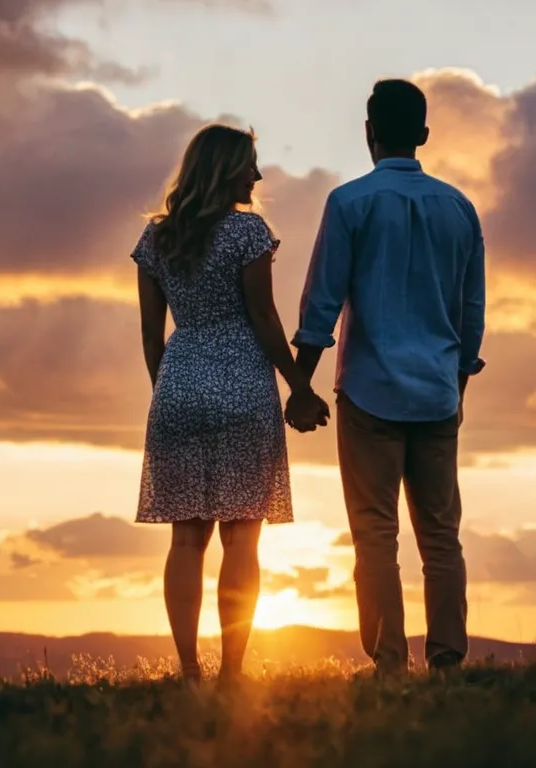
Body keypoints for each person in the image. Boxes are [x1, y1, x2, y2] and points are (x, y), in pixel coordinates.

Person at [287, 79, 487, 674]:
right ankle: (448, 658)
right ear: (423, 135)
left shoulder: (350, 202)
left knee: (375, 533)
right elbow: (470, 309)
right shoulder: (459, 207)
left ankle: (390, 661)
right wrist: (459, 381)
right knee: (441, 536)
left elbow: (321, 303)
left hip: (371, 391)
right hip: (437, 390)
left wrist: (301, 387)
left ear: (369, 131)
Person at [131, 124, 330, 682]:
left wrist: (167, 390)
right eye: (251, 165)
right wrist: (300, 385)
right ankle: (232, 671)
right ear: (226, 170)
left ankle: (189, 668)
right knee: (243, 534)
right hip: (244, 383)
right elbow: (264, 318)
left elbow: (151, 335)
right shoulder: (248, 233)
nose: (258, 175)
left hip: (178, 384)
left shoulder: (157, 239)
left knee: (186, 539)